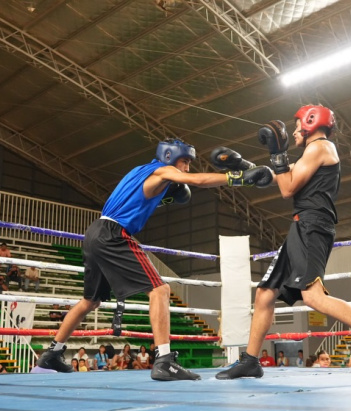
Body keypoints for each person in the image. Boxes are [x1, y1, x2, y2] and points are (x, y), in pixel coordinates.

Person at [36, 138, 271, 381]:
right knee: (160, 290)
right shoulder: (163, 170)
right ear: (169, 157)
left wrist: (164, 196)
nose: (187, 167)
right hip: (114, 234)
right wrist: (238, 178)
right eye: (184, 161)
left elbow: (139, 198)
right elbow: (198, 180)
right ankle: (164, 361)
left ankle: (51, 354)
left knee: (90, 301)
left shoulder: (139, 172)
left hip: (94, 232)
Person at [216, 106, 351, 383]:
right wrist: (245, 166)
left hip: (312, 225)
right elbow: (281, 176)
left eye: (297, 126)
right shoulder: (313, 152)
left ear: (311, 122)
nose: (294, 131)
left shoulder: (320, 147)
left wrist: (277, 153)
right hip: (302, 225)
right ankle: (250, 361)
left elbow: (287, 189)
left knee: (313, 297)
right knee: (265, 293)